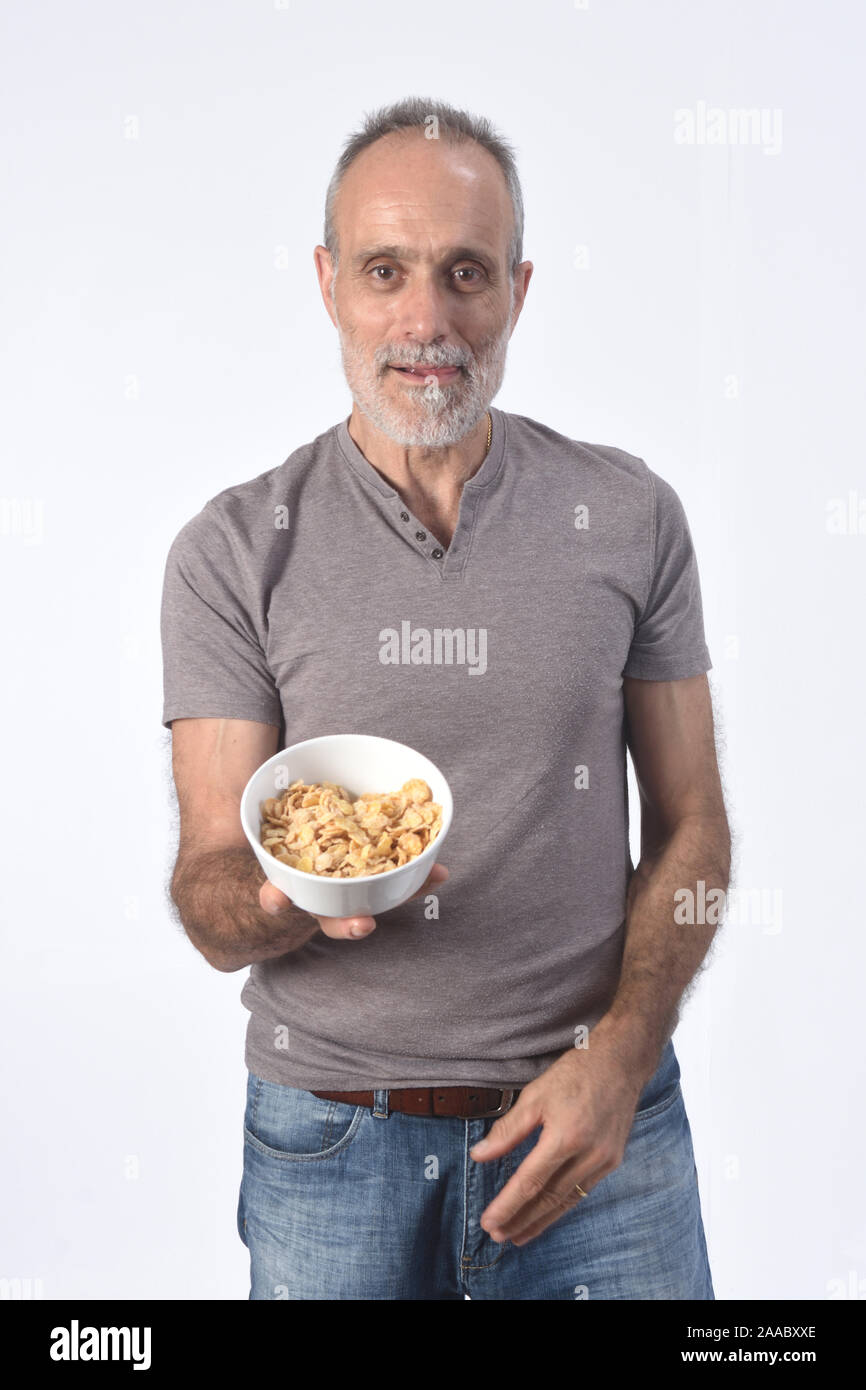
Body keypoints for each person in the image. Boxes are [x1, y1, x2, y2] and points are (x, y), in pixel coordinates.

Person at [161, 96, 731, 1301]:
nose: (425, 320)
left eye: (464, 273)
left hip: (593, 1132)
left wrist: (621, 1057)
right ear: (328, 284)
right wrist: (291, 899)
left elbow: (692, 830)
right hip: (329, 1143)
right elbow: (211, 892)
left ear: (517, 290)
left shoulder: (627, 517)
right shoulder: (230, 548)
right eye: (385, 271)